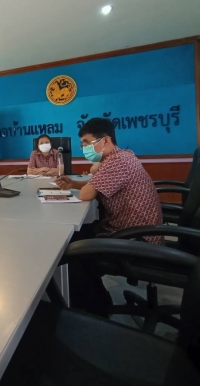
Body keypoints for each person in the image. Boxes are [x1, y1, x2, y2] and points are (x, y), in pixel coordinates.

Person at [55, 117, 163, 315]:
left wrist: (93, 170)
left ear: (105, 140)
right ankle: (93, 299)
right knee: (76, 236)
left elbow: (87, 194)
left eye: (87, 143)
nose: (84, 148)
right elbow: (97, 183)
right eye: (82, 144)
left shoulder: (117, 162)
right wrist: (74, 183)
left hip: (137, 238)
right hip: (133, 230)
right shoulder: (121, 156)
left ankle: (94, 311)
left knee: (73, 251)